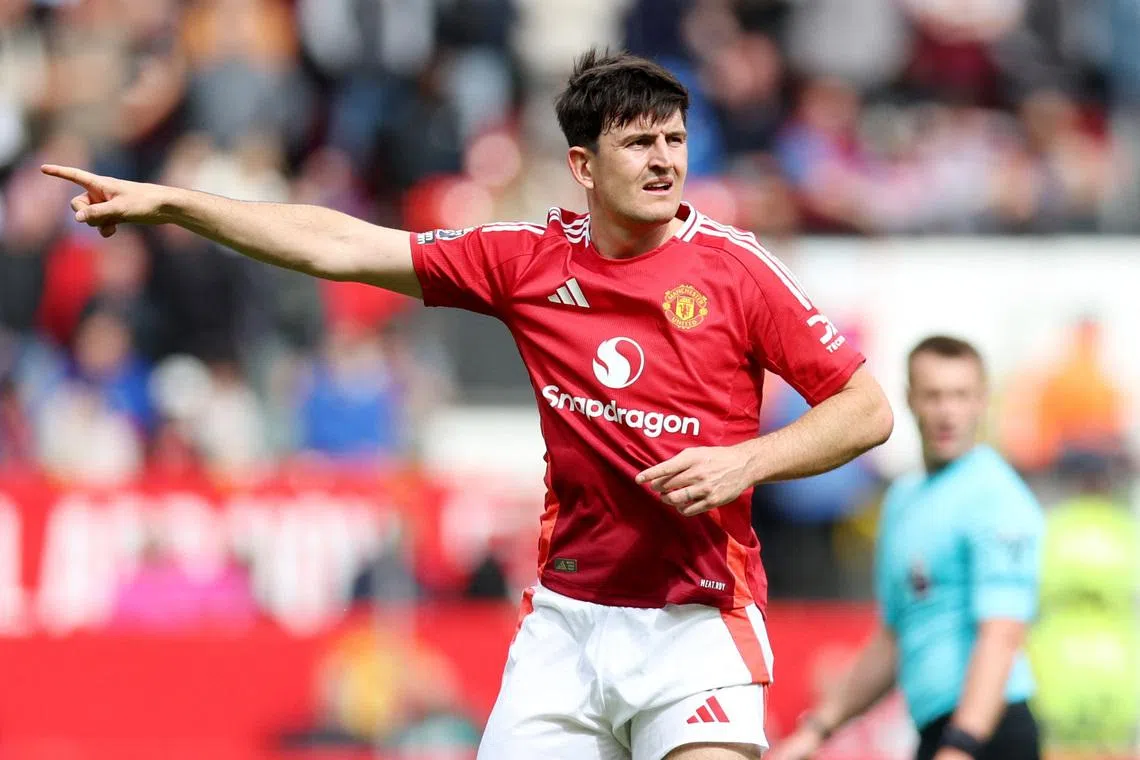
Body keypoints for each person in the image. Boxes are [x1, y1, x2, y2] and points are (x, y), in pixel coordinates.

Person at [42, 50, 893, 760]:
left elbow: (865, 409)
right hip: (570, 623)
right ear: (583, 165)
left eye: (674, 139)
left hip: (698, 619)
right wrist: (181, 205)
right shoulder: (525, 261)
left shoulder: (736, 271)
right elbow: (342, 244)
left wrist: (748, 459)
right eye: (639, 144)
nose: (665, 160)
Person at [773, 336, 1043, 760]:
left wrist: (962, 745)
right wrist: (817, 730)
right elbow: (894, 636)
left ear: (981, 401)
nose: (947, 411)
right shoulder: (902, 499)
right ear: (910, 398)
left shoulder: (997, 496)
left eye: (960, 395)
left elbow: (1001, 635)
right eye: (934, 395)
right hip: (936, 732)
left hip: (990, 732)